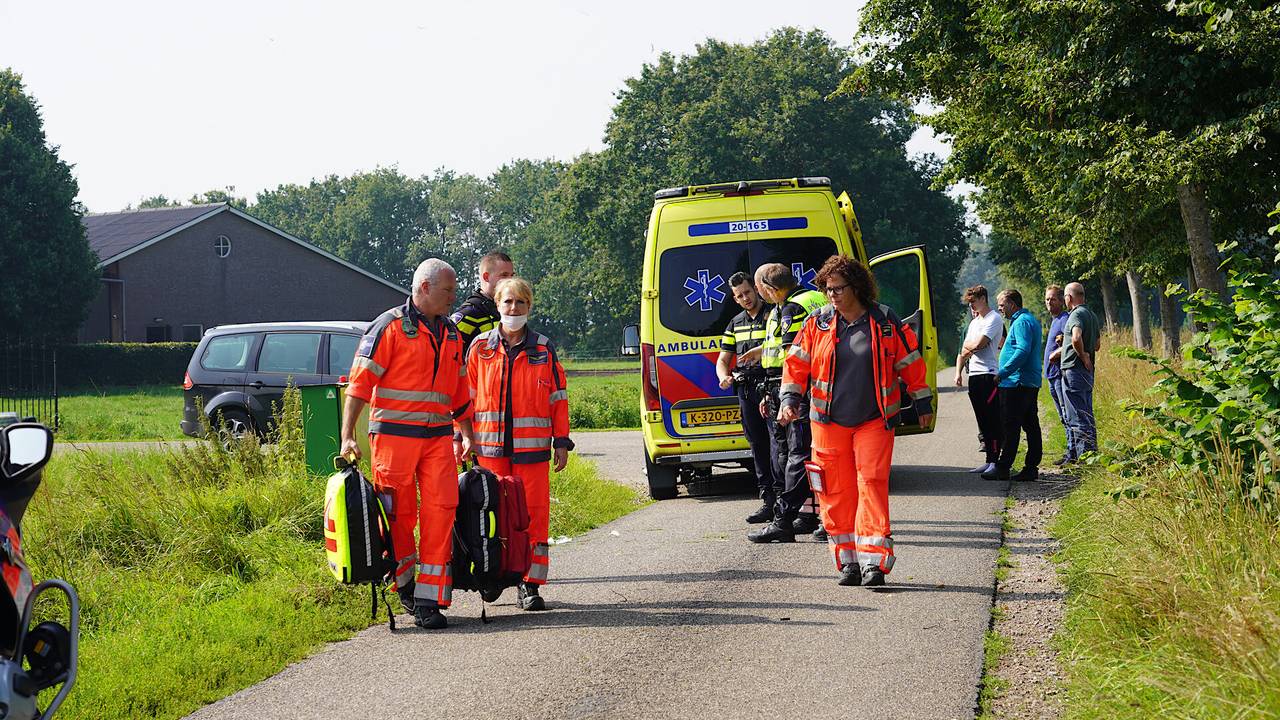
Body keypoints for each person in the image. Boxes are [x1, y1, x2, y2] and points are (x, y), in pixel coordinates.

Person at [780, 255, 933, 586]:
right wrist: (789, 399)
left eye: (838, 288)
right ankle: (847, 560)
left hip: (874, 420)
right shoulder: (817, 324)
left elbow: (911, 362)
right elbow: (795, 365)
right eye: (827, 288)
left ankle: (874, 562)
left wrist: (922, 401)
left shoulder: (885, 321)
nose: (831, 294)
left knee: (872, 485)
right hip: (827, 421)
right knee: (834, 490)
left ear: (857, 287)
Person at [341, 258, 476, 630]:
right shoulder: (388, 327)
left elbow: (459, 391)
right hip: (393, 441)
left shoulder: (451, 333)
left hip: (436, 441)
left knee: (442, 509)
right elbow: (359, 385)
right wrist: (348, 434)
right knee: (399, 516)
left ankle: (429, 600)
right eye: (448, 290)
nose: (454, 297)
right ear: (425, 288)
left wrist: (466, 431)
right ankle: (404, 585)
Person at [465, 277, 572, 611]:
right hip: (488, 450)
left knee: (533, 518)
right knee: (491, 516)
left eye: (520, 303)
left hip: (532, 453)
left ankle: (530, 584)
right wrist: (463, 437)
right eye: (508, 302)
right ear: (497, 305)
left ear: (529, 307)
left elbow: (558, 398)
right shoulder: (480, 348)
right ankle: (493, 574)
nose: (514, 309)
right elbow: (465, 398)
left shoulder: (542, 348)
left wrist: (561, 440)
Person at [746, 263, 827, 543]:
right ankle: (811, 515)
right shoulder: (813, 297)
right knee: (813, 455)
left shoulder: (791, 308)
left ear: (771, 288)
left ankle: (784, 519)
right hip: (814, 388)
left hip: (798, 390)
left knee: (797, 456)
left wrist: (784, 396)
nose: (760, 296)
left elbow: (793, 357)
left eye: (760, 290)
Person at [715, 272, 776, 524]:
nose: (745, 298)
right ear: (735, 298)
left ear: (756, 289)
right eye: (740, 296)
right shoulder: (734, 323)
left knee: (778, 446)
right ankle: (768, 501)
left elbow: (784, 342)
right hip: (746, 391)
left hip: (771, 387)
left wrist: (761, 351)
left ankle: (786, 499)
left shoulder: (774, 314)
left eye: (748, 292)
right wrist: (723, 376)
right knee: (758, 446)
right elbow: (723, 359)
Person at [982, 289, 1043, 482]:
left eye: (1002, 304)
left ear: (1012, 304)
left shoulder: (1022, 322)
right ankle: (1030, 467)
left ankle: (1003, 466)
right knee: (1030, 424)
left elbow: (1023, 350)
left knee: (1010, 426)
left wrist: (1004, 372)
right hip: (1026, 381)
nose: (1000, 309)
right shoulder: (1026, 320)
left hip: (1017, 382)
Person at [954, 285, 1004, 474]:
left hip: (988, 374)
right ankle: (988, 459)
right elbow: (965, 347)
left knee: (992, 419)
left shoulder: (994, 319)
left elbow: (980, 344)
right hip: (973, 374)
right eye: (970, 303)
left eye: (973, 301)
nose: (972, 306)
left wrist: (971, 347)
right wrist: (970, 348)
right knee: (981, 419)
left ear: (983, 298)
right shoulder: (975, 323)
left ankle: (995, 460)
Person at [1060, 281, 1101, 462]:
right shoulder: (1091, 315)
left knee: (1076, 415)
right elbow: (1098, 345)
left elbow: (1076, 338)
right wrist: (1088, 356)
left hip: (1074, 369)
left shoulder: (1076, 315)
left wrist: (1082, 356)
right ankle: (1091, 454)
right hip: (1087, 371)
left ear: (1069, 297)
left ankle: (1084, 458)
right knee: (1086, 412)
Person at [450, 251, 516, 352]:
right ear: (486, 277)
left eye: (512, 275)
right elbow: (450, 356)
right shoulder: (469, 315)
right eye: (504, 275)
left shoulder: (509, 311)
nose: (510, 281)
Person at [1042, 285, 1073, 464]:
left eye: (1053, 299)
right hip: (1052, 376)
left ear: (1062, 300)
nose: (1049, 302)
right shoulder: (1055, 320)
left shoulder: (1065, 319)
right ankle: (1070, 451)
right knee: (1062, 415)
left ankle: (1072, 453)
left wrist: (1058, 352)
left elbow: (1070, 343)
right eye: (1047, 299)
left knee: (1067, 414)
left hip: (1060, 375)